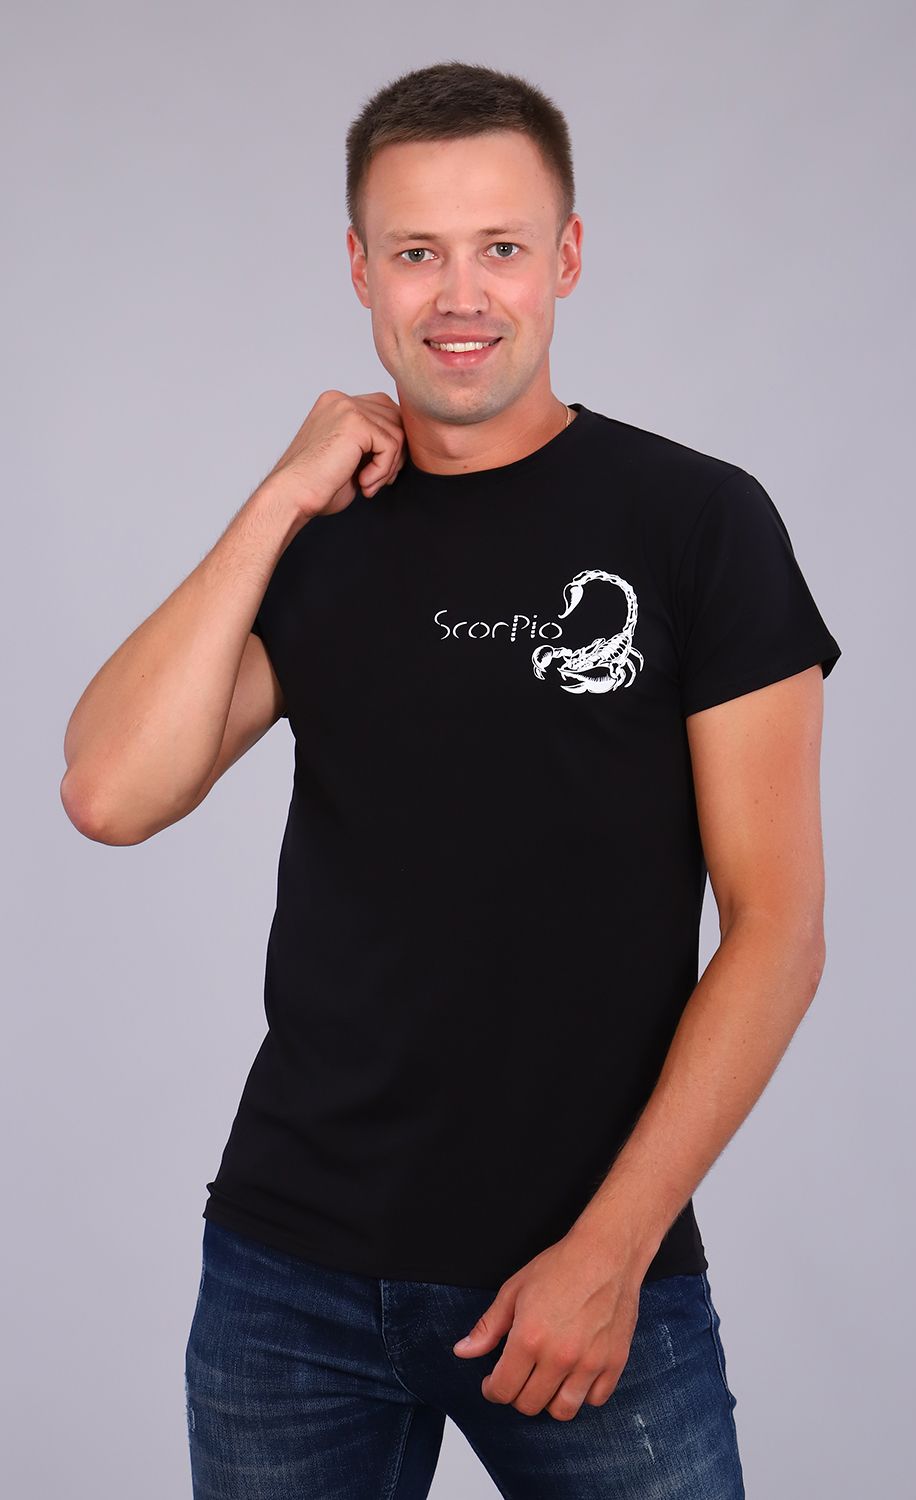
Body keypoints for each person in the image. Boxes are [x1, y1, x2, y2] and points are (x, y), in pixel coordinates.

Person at [61, 59, 841, 1500]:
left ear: (568, 257)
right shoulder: (324, 535)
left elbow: (778, 927)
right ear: (361, 269)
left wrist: (610, 1252)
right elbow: (110, 791)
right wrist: (277, 499)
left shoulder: (696, 522)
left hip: (585, 1276)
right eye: (417, 252)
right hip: (289, 1281)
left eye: (501, 247)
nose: (460, 295)